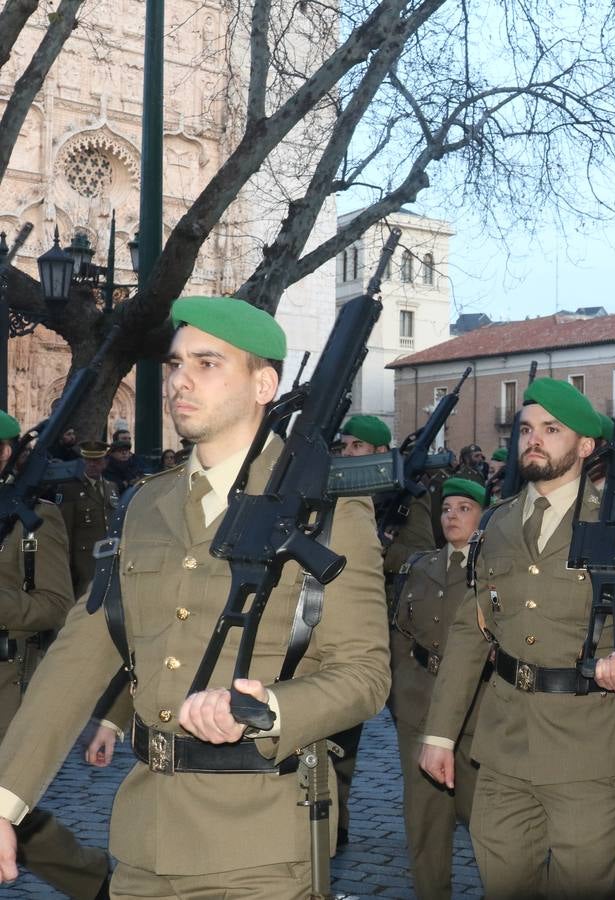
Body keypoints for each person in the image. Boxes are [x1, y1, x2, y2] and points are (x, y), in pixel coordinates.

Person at [0, 296, 392, 897]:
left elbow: (364, 674)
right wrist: (6, 800)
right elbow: (79, 656)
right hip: (144, 843)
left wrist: (270, 707)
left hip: (259, 842)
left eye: (208, 363)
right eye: (177, 362)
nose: (180, 379)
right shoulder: (144, 505)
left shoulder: (330, 512)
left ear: (264, 383)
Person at [418, 377, 615, 899]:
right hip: (504, 743)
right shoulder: (494, 523)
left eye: (551, 429)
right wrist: (440, 734)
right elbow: (471, 633)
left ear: (585, 446)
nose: (533, 439)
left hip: (588, 746)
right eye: (527, 429)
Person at [0, 410, 111, 899]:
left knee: (9, 811)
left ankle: (96, 880)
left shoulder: (35, 517)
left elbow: (56, 606)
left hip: (5, 685)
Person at [334, 413, 438, 847]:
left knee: (415, 726)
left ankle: (431, 815)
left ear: (379, 453)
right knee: (336, 733)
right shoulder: (335, 495)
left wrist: (377, 550)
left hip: (398, 627)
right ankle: (332, 823)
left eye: (357, 447)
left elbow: (421, 554)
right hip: (345, 624)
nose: (347, 454)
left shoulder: (409, 498)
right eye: (344, 446)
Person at [389, 477, 489, 898]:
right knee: (424, 821)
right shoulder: (420, 566)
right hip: (420, 701)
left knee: (485, 818)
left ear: (484, 517)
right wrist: (398, 695)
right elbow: (399, 636)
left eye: (464, 508)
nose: (452, 516)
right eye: (447, 509)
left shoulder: (493, 569)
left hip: (476, 709)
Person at [58, 441, 118, 598]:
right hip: (83, 562)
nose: (92, 465)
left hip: (109, 557)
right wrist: (66, 564)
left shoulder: (111, 487)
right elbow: (65, 530)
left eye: (97, 461)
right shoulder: (70, 489)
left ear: (105, 463)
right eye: (88, 461)